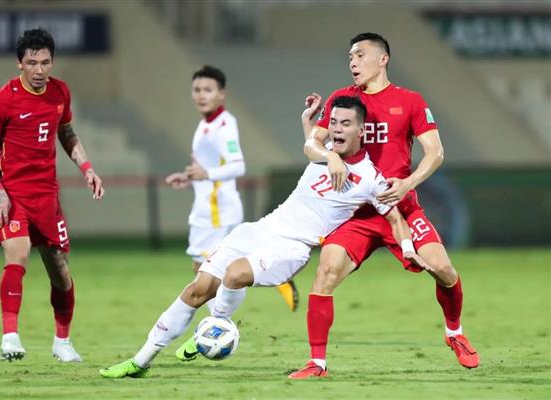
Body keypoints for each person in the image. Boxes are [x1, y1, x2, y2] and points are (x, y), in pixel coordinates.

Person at [99, 95, 430, 379]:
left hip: (292, 247)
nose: (338, 129)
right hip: (260, 230)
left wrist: (406, 248)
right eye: (334, 123)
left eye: (346, 124)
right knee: (198, 288)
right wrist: (311, 126)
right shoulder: (325, 150)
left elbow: (395, 217)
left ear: (362, 130)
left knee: (234, 275)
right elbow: (311, 146)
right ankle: (140, 361)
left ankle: (217, 325)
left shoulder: (370, 178)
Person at [289, 32, 479, 379]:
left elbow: (435, 152)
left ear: (383, 59)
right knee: (326, 271)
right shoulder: (342, 99)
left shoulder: (409, 101)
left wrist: (408, 183)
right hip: (355, 214)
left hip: (400, 208)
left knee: (444, 270)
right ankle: (317, 363)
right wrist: (331, 155)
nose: (353, 62)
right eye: (350, 57)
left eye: (360, 55)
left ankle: (455, 332)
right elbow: (311, 144)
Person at [0, 28, 104, 362]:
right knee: (17, 256)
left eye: (45, 62)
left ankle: (62, 341)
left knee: (60, 271)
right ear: (20, 63)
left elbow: (67, 132)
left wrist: (87, 168)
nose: (39, 70)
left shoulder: (60, 92)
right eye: (32, 63)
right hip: (12, 195)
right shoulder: (1, 100)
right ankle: (10, 337)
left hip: (47, 197)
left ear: (52, 62)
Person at [165, 66, 299, 361]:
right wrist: (190, 177)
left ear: (221, 94)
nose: (201, 95)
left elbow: (238, 165)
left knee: (208, 275)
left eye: (208, 90)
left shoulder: (224, 125)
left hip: (217, 211)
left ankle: (216, 328)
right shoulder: (207, 124)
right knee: (205, 273)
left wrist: (206, 174)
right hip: (210, 207)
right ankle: (265, 275)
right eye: (197, 90)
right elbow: (210, 167)